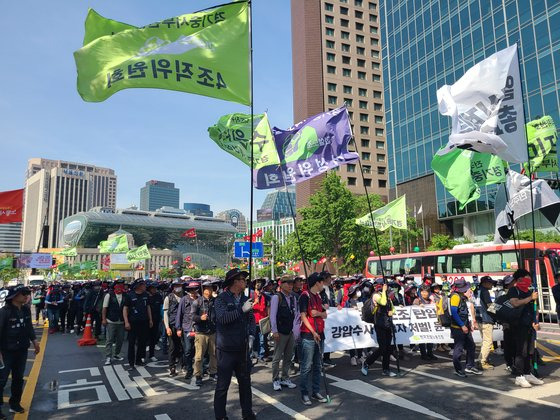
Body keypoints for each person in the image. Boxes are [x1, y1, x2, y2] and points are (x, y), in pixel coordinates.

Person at [213, 268, 256, 420]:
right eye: (242, 279)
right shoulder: (221, 299)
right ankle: (221, 416)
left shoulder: (246, 299)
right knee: (223, 386)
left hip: (243, 348)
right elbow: (222, 318)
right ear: (234, 282)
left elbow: (252, 320)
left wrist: (251, 335)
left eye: (245, 279)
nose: (245, 282)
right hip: (226, 350)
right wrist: (240, 310)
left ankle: (248, 413)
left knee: (245, 384)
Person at [0, 285, 40, 418]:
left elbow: (29, 327)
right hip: (6, 351)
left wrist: (35, 341)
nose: (27, 295)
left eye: (28, 293)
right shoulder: (4, 312)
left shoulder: (26, 310)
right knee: (2, 380)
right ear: (14, 296)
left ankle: (15, 404)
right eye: (24, 293)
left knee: (18, 378)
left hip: (22, 350)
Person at [507, 269, 543, 388]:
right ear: (519, 280)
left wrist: (535, 322)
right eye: (526, 278)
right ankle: (519, 376)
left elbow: (534, 308)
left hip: (529, 325)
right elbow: (515, 303)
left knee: (529, 351)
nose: (529, 281)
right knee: (521, 351)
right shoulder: (513, 290)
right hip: (518, 325)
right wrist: (530, 298)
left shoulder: (529, 291)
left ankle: (528, 373)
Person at [299, 272, 328, 405]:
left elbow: (324, 315)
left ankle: (316, 391)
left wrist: (319, 313)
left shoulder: (318, 296)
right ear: (317, 283)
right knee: (306, 366)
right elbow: (304, 316)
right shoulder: (305, 296)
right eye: (322, 282)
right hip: (309, 335)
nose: (323, 284)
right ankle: (304, 393)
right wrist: (313, 331)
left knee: (318, 365)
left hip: (320, 333)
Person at [361, 281, 397, 377]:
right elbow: (383, 302)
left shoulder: (387, 296)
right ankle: (367, 363)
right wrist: (384, 292)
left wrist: (392, 312)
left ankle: (386, 369)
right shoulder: (376, 296)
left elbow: (392, 307)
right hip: (379, 324)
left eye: (384, 286)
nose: (383, 287)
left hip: (388, 324)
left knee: (388, 348)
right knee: (382, 348)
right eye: (381, 286)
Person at [270, 276, 298, 391]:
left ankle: (285, 378)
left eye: (292, 283)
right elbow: (272, 315)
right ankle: (275, 379)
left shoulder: (293, 298)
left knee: (288, 357)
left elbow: (296, 316)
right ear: (281, 284)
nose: (291, 285)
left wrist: (295, 331)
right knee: (277, 357)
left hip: (290, 331)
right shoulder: (277, 297)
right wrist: (274, 331)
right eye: (288, 283)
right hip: (280, 332)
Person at [449, 278, 481, 377]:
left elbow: (465, 313)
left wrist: (469, 324)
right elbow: (454, 312)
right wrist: (462, 325)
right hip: (458, 328)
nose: (469, 291)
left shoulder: (461, 297)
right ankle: (458, 369)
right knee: (458, 349)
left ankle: (469, 366)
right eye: (467, 289)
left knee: (471, 346)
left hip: (464, 326)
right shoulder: (455, 297)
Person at [123, 279, 153, 371]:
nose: (145, 286)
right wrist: (126, 322)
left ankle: (139, 360)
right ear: (138, 286)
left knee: (142, 342)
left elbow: (148, 307)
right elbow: (125, 309)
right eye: (143, 285)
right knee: (131, 343)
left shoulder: (146, 295)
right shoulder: (130, 295)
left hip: (143, 322)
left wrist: (150, 319)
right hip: (133, 322)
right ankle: (131, 363)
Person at [191, 281, 217, 386]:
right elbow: (192, 316)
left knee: (214, 354)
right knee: (199, 356)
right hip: (200, 332)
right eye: (207, 288)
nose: (209, 290)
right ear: (203, 290)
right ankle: (198, 376)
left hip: (213, 332)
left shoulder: (215, 301)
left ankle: (213, 373)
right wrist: (200, 318)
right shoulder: (197, 302)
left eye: (211, 288)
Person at [176, 281, 199, 381]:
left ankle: (199, 370)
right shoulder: (184, 300)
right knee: (188, 350)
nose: (193, 291)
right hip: (187, 328)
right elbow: (179, 314)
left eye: (195, 289)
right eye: (191, 289)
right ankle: (189, 369)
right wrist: (178, 328)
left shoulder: (200, 299)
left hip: (199, 328)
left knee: (199, 351)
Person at [102, 280, 126, 365]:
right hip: (111, 320)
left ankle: (116, 354)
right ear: (115, 286)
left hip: (121, 321)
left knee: (120, 339)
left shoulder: (125, 295)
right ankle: (108, 356)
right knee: (110, 339)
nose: (120, 286)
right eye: (118, 285)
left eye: (122, 285)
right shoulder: (109, 295)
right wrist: (104, 319)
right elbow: (104, 308)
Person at [163, 279, 183, 377]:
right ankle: (172, 367)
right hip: (172, 325)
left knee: (184, 346)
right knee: (172, 347)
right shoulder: (168, 298)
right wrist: (167, 327)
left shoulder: (185, 297)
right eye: (176, 285)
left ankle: (183, 365)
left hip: (183, 325)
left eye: (179, 285)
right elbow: (165, 314)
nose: (178, 287)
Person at [477, 276, 497, 370]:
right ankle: (482, 362)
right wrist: (500, 310)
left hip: (479, 318)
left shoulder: (477, 291)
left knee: (484, 341)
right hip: (486, 318)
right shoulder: (485, 292)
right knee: (488, 342)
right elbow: (490, 305)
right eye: (490, 283)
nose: (492, 284)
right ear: (484, 283)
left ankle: (485, 359)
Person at [413, 285, 437, 361]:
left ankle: (430, 353)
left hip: (430, 323)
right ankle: (423, 354)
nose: (424, 294)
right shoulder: (417, 300)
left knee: (431, 338)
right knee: (422, 339)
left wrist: (434, 303)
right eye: (422, 292)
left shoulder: (431, 300)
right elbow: (412, 309)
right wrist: (419, 306)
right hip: (421, 323)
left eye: (426, 292)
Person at [251, 280, 270, 363]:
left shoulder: (264, 296)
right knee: (253, 340)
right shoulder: (251, 295)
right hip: (253, 321)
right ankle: (253, 356)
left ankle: (261, 356)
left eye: (260, 284)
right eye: (257, 283)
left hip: (262, 321)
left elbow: (267, 307)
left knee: (262, 340)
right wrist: (254, 302)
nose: (259, 285)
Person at [147, 282, 163, 363]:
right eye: (152, 288)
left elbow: (161, 307)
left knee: (154, 338)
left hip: (156, 320)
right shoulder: (146, 296)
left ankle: (151, 355)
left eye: (155, 288)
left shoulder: (159, 296)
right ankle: (142, 356)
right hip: (146, 320)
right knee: (144, 339)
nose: (154, 289)